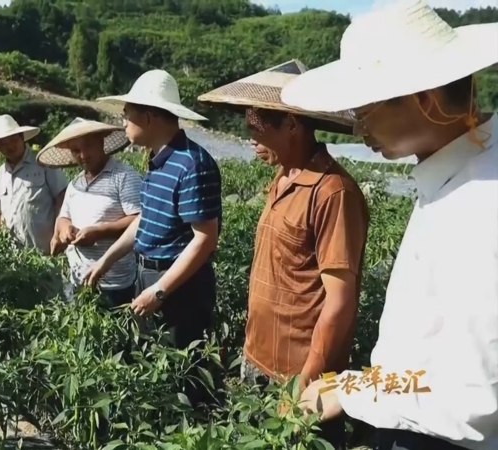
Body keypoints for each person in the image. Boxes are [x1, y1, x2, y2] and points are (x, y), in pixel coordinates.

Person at [280, 2, 498, 450]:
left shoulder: (478, 204)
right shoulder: (464, 167)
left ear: (423, 99)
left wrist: (352, 389)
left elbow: (469, 399)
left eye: (364, 110)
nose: (359, 130)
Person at [199, 59, 368, 450]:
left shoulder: (333, 193)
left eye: (258, 131)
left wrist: (305, 381)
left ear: (292, 125)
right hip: (258, 358)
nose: (252, 141)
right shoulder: (282, 178)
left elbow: (340, 302)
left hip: (300, 375)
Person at [86, 69, 223, 408]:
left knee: (183, 377)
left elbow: (205, 239)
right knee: (154, 371)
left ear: (147, 116)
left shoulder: (193, 163)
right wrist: (108, 260)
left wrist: (160, 290)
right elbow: (147, 218)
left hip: (179, 286)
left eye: (127, 115)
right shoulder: (159, 160)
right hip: (149, 277)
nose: (124, 122)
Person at [38, 118, 143, 307]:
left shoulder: (124, 177)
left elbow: (140, 221)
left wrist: (100, 232)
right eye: (76, 151)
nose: (83, 155)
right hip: (78, 279)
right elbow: (63, 216)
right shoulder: (75, 184)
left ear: (101, 141)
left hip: (115, 283)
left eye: (88, 146)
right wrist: (65, 228)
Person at [0, 114, 69, 255]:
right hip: (13, 255)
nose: (10, 146)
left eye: (13, 139)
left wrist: (58, 233)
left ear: (22, 137)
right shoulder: (1, 174)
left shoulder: (43, 162)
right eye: (3, 143)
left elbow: (62, 197)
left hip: (46, 251)